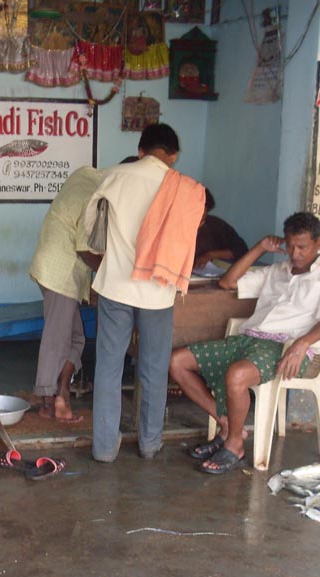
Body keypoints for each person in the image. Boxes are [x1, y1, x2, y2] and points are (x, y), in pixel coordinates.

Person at [169, 212, 320, 474]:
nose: (295, 253)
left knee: (237, 375)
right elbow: (227, 282)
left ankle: (235, 445)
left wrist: (302, 344)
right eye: (290, 246)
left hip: (288, 348)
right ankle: (227, 424)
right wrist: (260, 248)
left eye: (302, 247)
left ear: (319, 243)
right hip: (249, 339)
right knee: (177, 362)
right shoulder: (276, 271)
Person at [85, 123, 205, 462]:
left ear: (140, 150)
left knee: (109, 368)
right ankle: (150, 443)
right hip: (158, 291)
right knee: (153, 369)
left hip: (116, 287)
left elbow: (90, 225)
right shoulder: (186, 188)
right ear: (174, 155)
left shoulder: (115, 176)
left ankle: (104, 449)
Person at [29, 165, 106, 422]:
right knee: (58, 338)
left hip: (53, 267)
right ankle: (48, 402)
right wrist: (109, 275)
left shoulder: (86, 176)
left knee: (76, 338)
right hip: (60, 272)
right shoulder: (97, 197)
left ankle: (62, 393)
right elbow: (85, 250)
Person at [194, 189, 248, 269]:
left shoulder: (214, 225)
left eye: (202, 218)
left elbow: (241, 249)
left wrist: (211, 255)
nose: (199, 222)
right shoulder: (176, 227)